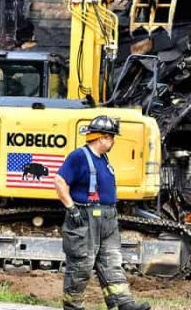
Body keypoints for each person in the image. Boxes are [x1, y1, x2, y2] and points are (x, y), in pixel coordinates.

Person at [53, 115, 149, 310]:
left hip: (107, 219)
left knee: (111, 262)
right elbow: (59, 181)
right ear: (102, 138)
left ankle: (123, 304)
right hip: (85, 219)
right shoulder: (79, 156)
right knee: (81, 266)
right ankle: (73, 307)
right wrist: (71, 208)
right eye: (112, 137)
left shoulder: (103, 158)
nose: (113, 141)